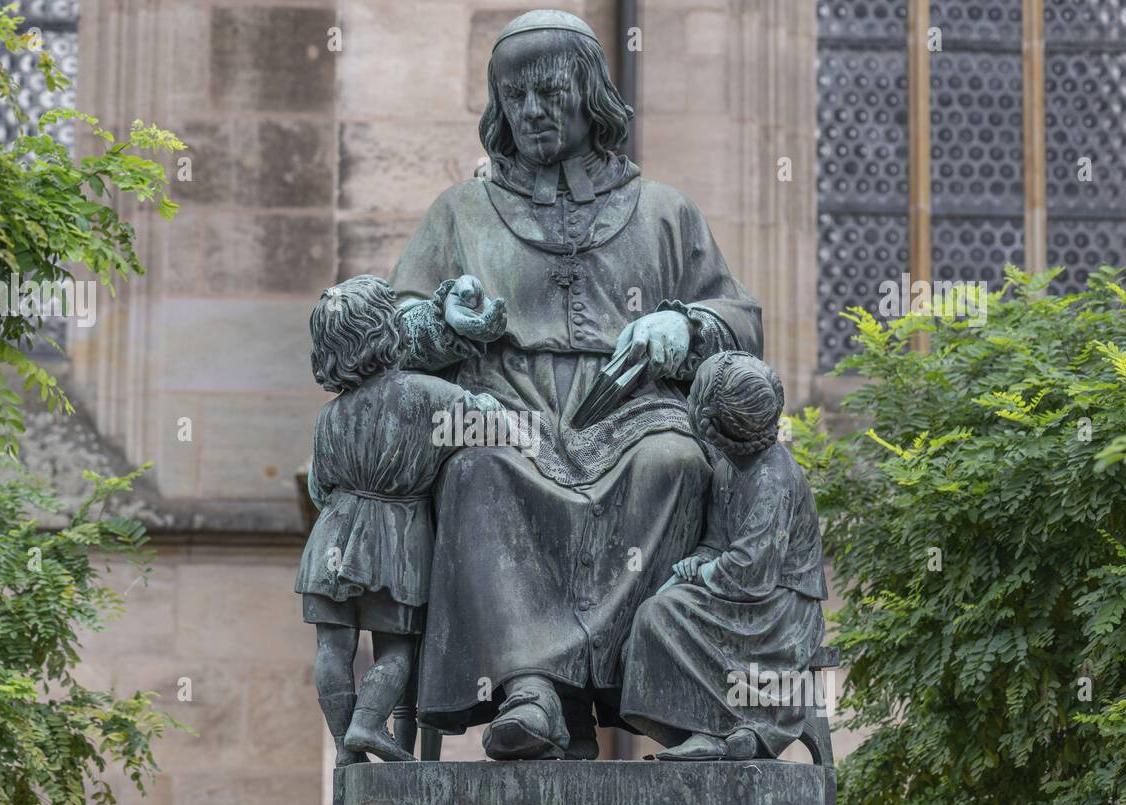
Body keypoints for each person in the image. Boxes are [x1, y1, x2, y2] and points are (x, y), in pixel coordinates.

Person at [387, 10, 762, 759]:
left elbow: (741, 322)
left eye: (548, 93)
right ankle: (531, 688)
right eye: (514, 96)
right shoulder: (460, 210)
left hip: (633, 411)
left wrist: (683, 328)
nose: (529, 112)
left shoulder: (663, 211)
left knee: (677, 463)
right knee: (477, 467)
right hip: (505, 410)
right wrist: (446, 320)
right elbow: (392, 330)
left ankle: (653, 687)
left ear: (590, 98)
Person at [296, 274, 504, 764]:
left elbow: (320, 484)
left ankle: (344, 743)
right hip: (395, 535)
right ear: (384, 330)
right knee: (396, 647)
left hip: (332, 534)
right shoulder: (429, 394)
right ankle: (369, 725)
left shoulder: (330, 415)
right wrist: (489, 404)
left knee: (333, 645)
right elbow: (488, 427)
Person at [620, 352, 828, 761]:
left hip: (779, 610)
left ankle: (718, 728)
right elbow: (717, 542)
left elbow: (752, 571)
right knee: (658, 613)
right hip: (741, 593)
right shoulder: (728, 469)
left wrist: (703, 576)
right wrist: (697, 561)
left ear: (713, 425)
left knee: (660, 615)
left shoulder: (774, 478)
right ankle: (711, 729)